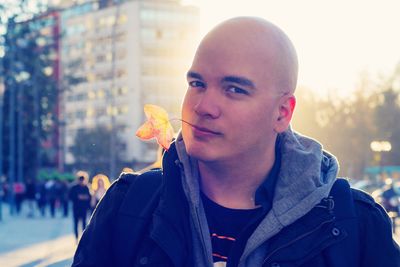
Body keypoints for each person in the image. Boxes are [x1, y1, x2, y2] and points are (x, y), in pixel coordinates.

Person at [72, 17, 400, 267]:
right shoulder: (129, 208)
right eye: (196, 83)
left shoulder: (353, 224)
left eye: (234, 89)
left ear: (282, 112)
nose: (203, 107)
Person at [69, 171, 91, 241]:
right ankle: (76, 237)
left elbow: (89, 197)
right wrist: (78, 197)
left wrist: (85, 198)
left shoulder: (87, 187)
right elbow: (70, 196)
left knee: (84, 223)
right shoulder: (74, 187)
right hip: (76, 208)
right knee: (76, 223)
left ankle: (83, 238)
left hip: (84, 208)